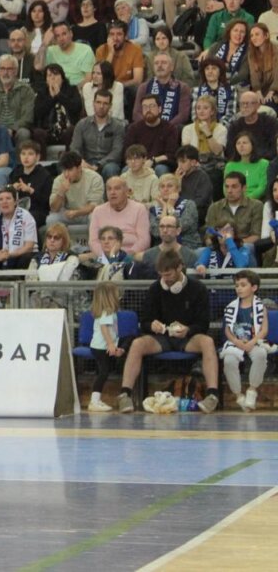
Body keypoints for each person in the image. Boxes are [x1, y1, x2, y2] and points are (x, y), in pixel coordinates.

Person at [117, 251, 218, 414]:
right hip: (162, 337)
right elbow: (145, 322)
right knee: (137, 344)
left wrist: (188, 330)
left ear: (180, 267)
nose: (166, 279)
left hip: (188, 337)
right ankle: (124, 394)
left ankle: (212, 395)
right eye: (162, 275)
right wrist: (152, 326)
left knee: (207, 342)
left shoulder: (198, 289)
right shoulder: (155, 288)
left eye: (169, 274)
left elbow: (203, 323)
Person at [221, 270, 269, 412]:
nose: (239, 288)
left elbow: (264, 330)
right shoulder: (230, 307)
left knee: (260, 354)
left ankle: (252, 390)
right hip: (236, 343)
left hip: (254, 341)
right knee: (229, 360)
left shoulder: (260, 307)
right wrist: (236, 342)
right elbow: (227, 331)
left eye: (243, 285)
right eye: (237, 285)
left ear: (254, 287)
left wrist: (252, 342)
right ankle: (238, 395)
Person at [85, 283, 125, 412]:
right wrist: (110, 344)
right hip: (101, 347)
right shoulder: (107, 311)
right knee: (103, 372)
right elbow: (104, 328)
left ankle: (96, 400)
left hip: (100, 346)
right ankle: (94, 401)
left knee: (104, 371)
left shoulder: (106, 311)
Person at [70, 88, 126, 179]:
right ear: (93, 103)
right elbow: (75, 148)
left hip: (107, 164)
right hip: (86, 162)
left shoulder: (118, 127)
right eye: (98, 102)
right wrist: (81, 162)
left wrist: (99, 165)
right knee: (71, 166)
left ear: (110, 106)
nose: (101, 106)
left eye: (105, 103)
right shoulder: (82, 124)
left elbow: (117, 152)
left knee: (111, 168)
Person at [89, 176, 150, 257]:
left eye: (117, 188)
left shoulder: (139, 209)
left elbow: (144, 240)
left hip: (131, 255)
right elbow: (93, 241)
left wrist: (127, 256)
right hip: (105, 256)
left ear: (126, 191)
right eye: (109, 189)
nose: (112, 192)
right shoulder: (98, 211)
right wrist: (105, 256)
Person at [123, 95, 181, 176]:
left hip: (159, 164)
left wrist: (153, 160)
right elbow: (128, 151)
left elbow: (171, 154)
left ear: (160, 109)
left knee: (161, 169)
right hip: (137, 162)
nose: (148, 110)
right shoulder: (134, 128)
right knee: (126, 170)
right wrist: (140, 162)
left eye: (152, 106)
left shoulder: (170, 128)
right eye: (145, 107)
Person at [0, 187, 37, 270]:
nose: (4, 202)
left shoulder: (26, 216)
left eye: (8, 198)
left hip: (22, 255)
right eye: (0, 199)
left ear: (15, 202)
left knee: (26, 258)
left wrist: (10, 255)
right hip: (1, 255)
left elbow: (28, 246)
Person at [31, 63, 83, 150]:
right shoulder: (42, 93)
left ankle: (69, 161)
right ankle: (41, 162)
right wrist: (51, 98)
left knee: (72, 130)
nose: (53, 78)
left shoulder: (72, 90)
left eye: (56, 74)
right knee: (38, 133)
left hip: (67, 129)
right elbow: (37, 113)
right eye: (49, 75)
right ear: (46, 80)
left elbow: (76, 108)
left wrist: (59, 95)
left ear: (62, 78)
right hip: (48, 130)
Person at [205, 172, 264, 249]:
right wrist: (220, 246)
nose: (229, 191)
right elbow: (208, 237)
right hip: (220, 248)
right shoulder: (214, 207)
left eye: (234, 187)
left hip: (243, 247)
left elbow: (256, 236)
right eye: (227, 186)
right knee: (199, 252)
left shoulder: (256, 206)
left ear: (244, 188)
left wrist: (233, 245)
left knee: (248, 247)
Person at [47, 151, 104, 229]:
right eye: (64, 170)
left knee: (94, 217)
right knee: (51, 219)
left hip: (88, 213)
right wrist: (61, 193)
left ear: (79, 168)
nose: (66, 174)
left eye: (70, 170)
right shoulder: (59, 180)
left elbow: (93, 206)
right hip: (69, 213)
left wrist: (77, 213)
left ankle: (93, 241)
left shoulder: (95, 178)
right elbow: (54, 209)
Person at [150, 172, 201, 250]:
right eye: (162, 186)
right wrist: (164, 208)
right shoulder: (153, 209)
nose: (165, 189)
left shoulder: (189, 204)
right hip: (162, 250)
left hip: (187, 246)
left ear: (178, 189)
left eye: (169, 186)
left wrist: (170, 207)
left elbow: (181, 227)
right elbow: (156, 233)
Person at [8, 139, 52, 226]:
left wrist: (31, 191)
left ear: (38, 157)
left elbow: (47, 202)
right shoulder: (15, 172)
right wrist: (11, 189)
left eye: (30, 154)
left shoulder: (44, 175)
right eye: (23, 154)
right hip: (17, 210)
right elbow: (6, 194)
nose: (26, 157)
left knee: (26, 218)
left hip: (37, 212)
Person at [39, 21, 95, 87]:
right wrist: (45, 42)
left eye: (64, 34)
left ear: (71, 34)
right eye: (57, 36)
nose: (61, 39)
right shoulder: (50, 50)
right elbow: (38, 67)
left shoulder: (85, 50)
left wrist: (71, 91)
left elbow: (88, 78)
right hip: (55, 90)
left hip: (78, 91)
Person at [224, 132, 269, 200]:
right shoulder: (230, 165)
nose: (241, 146)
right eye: (238, 143)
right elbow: (225, 188)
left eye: (245, 143)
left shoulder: (263, 164)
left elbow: (262, 187)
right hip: (234, 199)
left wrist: (246, 200)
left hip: (256, 201)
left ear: (252, 145)